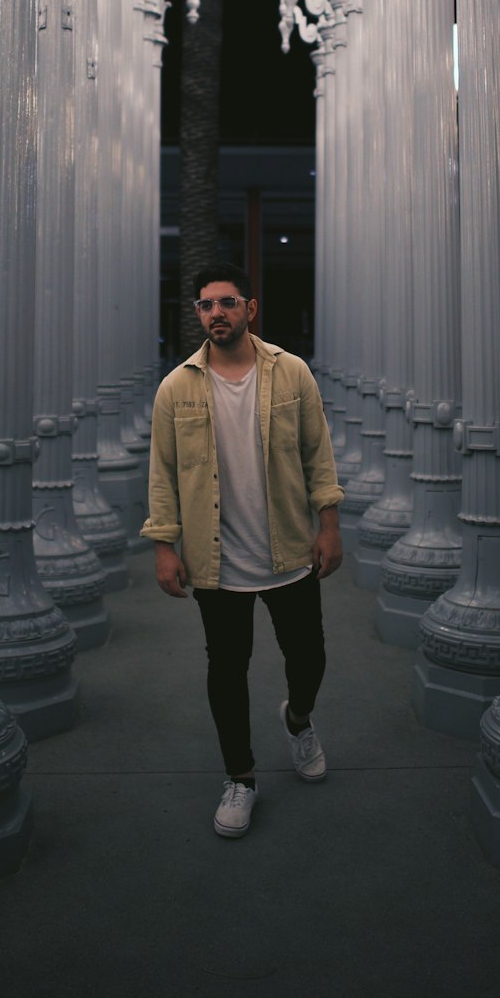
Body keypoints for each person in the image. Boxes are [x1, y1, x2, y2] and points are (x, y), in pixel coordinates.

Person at [142, 261, 343, 838]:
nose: (216, 313)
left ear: (250, 309)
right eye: (205, 305)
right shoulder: (176, 386)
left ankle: (298, 720)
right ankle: (242, 778)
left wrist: (328, 526)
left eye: (227, 302)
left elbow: (317, 454)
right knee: (226, 671)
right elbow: (162, 473)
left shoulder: (292, 373)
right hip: (216, 561)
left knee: (309, 659)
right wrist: (163, 544)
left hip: (287, 553)